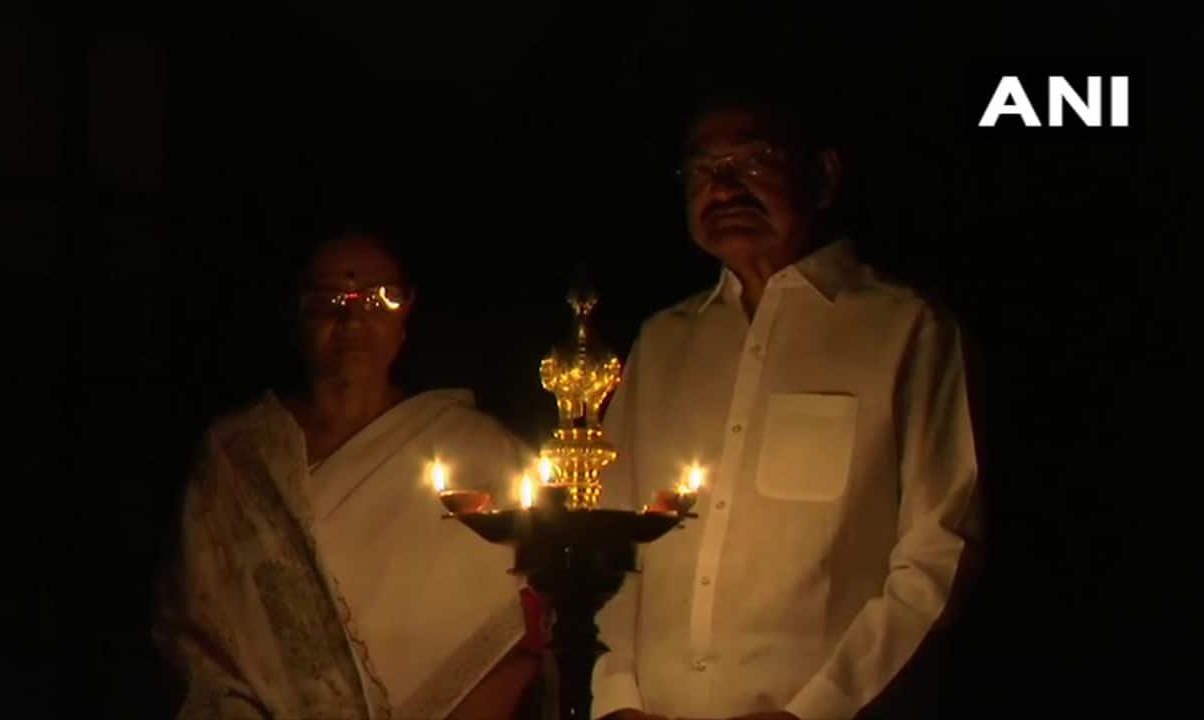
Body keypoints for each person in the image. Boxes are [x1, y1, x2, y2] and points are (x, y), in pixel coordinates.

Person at [589, 84, 985, 720]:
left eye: (752, 162)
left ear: (823, 176)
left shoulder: (907, 329)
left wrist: (814, 711)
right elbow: (610, 535)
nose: (723, 190)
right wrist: (618, 696)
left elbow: (939, 549)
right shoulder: (664, 342)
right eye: (703, 171)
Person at [153, 218, 547, 720]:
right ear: (295, 316)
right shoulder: (238, 455)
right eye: (328, 301)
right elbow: (194, 633)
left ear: (408, 314)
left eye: (381, 297)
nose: (354, 319)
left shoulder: (476, 452)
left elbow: (529, 627)